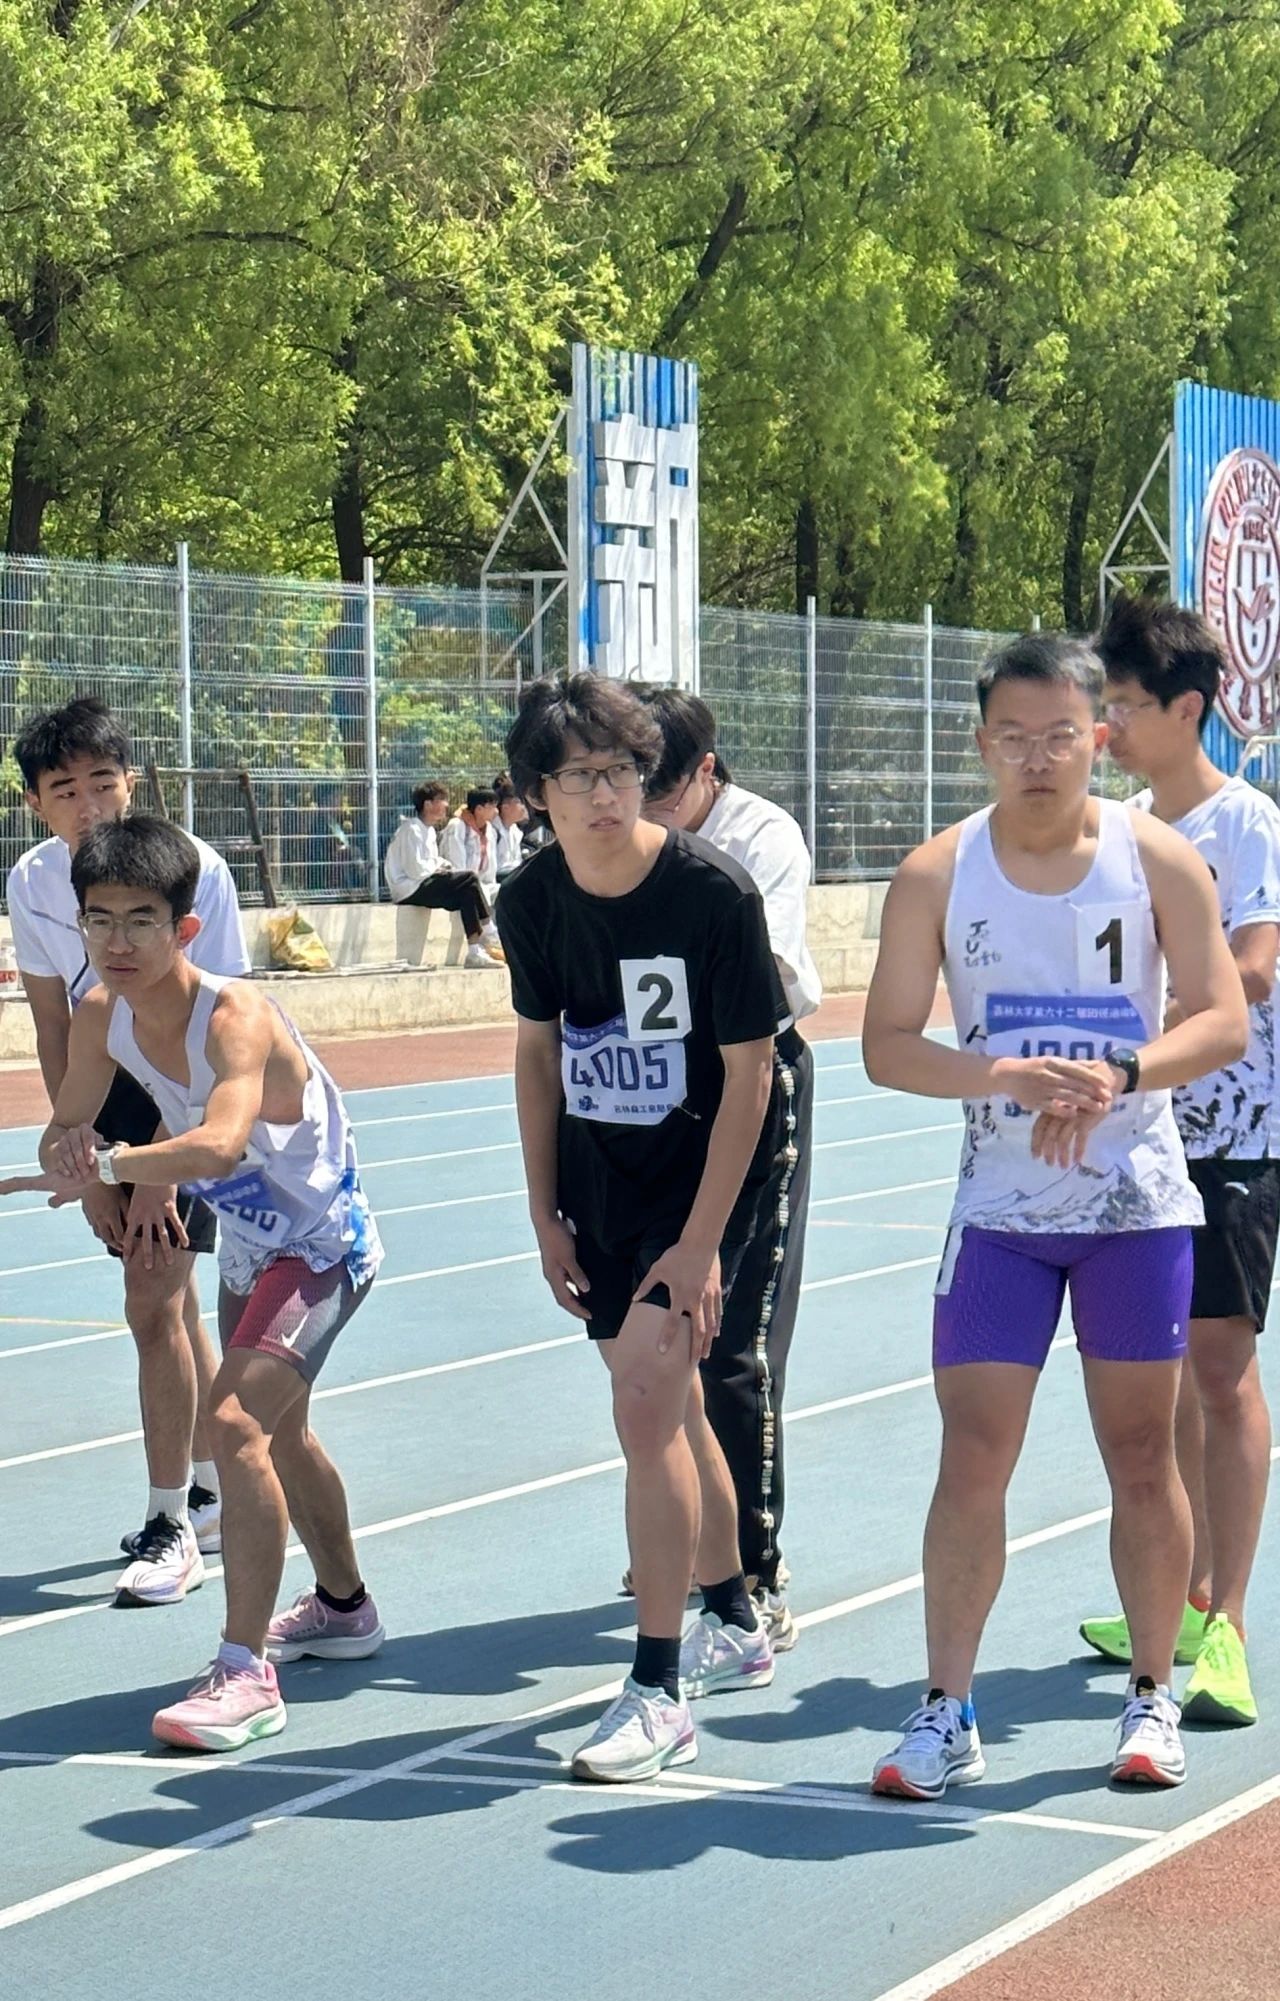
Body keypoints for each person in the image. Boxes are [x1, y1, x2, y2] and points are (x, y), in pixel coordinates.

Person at [861, 633, 1247, 1799]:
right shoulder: (935, 874)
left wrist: (1120, 1074)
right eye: (1012, 738)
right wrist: (1001, 1076)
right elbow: (885, 1046)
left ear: (1099, 737)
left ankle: (1149, 1695)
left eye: (1060, 736)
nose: (1036, 758)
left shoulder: (1156, 858)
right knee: (972, 1454)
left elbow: (1220, 1019)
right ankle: (944, 1710)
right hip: (998, 1213)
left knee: (1139, 1453)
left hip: (1133, 1208)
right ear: (981, 743)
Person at [0, 816, 385, 1752]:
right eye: (98, 920)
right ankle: (345, 1607)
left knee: (235, 1424)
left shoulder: (235, 1016)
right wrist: (70, 1155)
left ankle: (244, 1672)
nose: (118, 941)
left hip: (321, 1240)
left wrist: (114, 1165)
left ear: (185, 928)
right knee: (280, 1434)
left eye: (141, 919)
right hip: (253, 1244)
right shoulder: (101, 1013)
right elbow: (69, 1123)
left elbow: (215, 1144)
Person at [496, 673, 795, 1783]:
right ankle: (734, 1616)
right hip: (601, 1178)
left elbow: (750, 1073)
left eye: (621, 770)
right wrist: (543, 1211)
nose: (604, 793)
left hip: (708, 1171)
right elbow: (537, 1058)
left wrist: (702, 1242)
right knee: (670, 1410)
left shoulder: (713, 896)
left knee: (642, 1406)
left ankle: (658, 1687)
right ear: (537, 791)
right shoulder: (529, 903)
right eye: (579, 775)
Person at [1078, 595, 1280, 1726]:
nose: (1105, 726)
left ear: (1187, 707)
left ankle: (1229, 1624)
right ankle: (1184, 1594)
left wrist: (1144, 1033)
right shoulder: (1114, 827)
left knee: (1220, 1368)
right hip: (1136, 1135)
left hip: (1232, 1133)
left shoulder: (1243, 823)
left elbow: (1251, 967)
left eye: (1123, 706)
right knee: (1155, 1378)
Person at [6, 697, 249, 1603]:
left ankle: (171, 1524)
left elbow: (219, 1026)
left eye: (102, 782)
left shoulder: (197, 871)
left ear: (133, 783)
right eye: (65, 789)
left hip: (192, 1086)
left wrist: (156, 1167)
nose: (88, 805)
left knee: (152, 1300)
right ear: (35, 803)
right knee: (170, 1303)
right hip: (103, 1084)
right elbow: (53, 1025)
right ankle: (214, 1491)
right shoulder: (33, 881)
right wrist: (82, 1154)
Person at [638, 686, 821, 1646]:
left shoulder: (761, 840)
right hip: (650, 1092)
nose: (641, 812)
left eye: (660, 793)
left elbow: (761, 974)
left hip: (749, 1078)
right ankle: (685, 1527)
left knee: (735, 1339)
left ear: (705, 773)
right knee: (651, 1334)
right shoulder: (610, 838)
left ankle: (754, 1567)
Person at [383, 781, 503, 967]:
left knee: (467, 891)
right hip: (408, 888)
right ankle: (489, 930)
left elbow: (433, 862)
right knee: (469, 877)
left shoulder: (429, 831)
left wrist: (441, 866)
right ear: (427, 804)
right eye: (441, 800)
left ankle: (474, 951)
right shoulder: (412, 829)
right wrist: (440, 868)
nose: (446, 805)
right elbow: (416, 870)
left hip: (422, 884)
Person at [492, 773, 530, 884]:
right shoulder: (492, 831)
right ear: (505, 807)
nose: (523, 808)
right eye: (519, 802)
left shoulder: (514, 831)